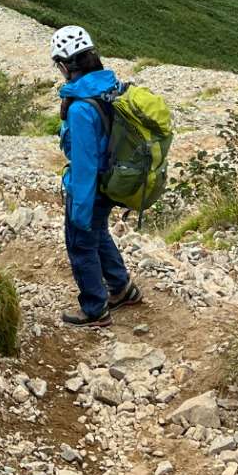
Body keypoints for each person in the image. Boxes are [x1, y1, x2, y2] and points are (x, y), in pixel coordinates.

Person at [51, 24, 143, 328]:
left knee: (81, 243)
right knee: (99, 234)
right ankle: (122, 288)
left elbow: (85, 164)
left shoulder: (80, 108)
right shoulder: (109, 86)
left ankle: (94, 308)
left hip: (91, 187)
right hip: (113, 179)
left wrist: (79, 209)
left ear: (65, 66)